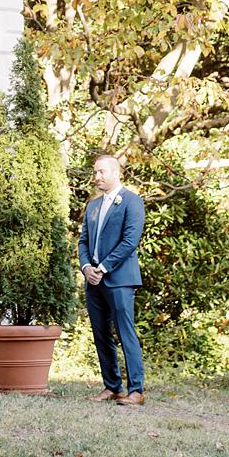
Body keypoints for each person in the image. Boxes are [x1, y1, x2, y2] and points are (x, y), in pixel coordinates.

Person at [78, 153, 146, 406]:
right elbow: (83, 241)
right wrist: (86, 267)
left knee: (125, 332)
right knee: (101, 333)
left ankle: (136, 390)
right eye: (95, 172)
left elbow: (130, 241)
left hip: (119, 279)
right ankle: (112, 386)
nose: (96, 177)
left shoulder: (132, 201)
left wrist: (103, 268)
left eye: (101, 172)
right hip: (93, 281)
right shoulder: (93, 206)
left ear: (115, 173)